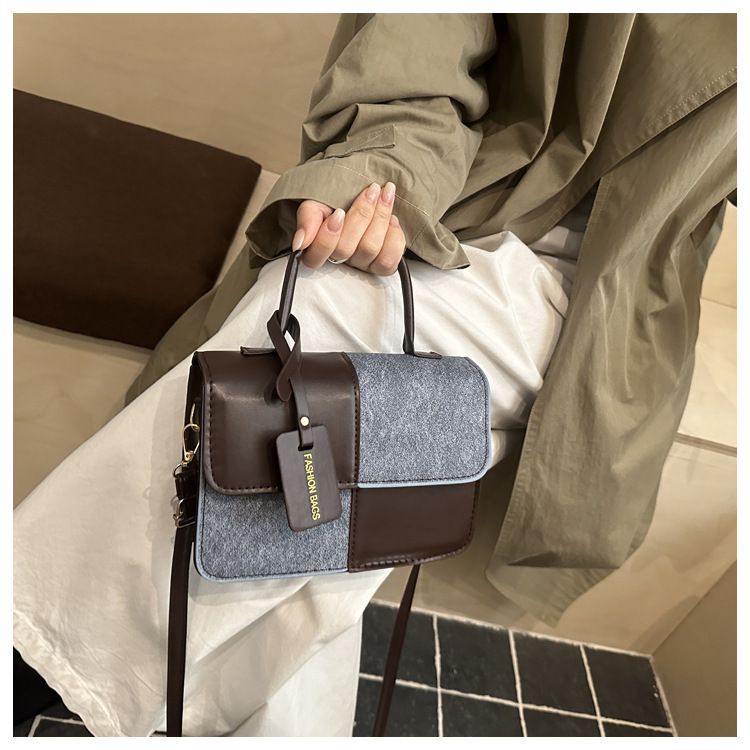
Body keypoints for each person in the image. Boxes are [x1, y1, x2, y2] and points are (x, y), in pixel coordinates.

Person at [14, 13, 736, 737]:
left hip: (616, 280)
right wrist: (381, 167)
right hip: (469, 180)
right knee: (325, 385)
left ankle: (34, 654)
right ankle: (46, 650)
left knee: (329, 397)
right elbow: (428, 28)